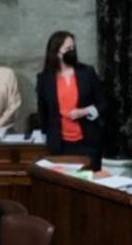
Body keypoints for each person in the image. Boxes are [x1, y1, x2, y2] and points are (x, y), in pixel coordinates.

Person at [35, 30, 107, 170]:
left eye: (73, 48)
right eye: (68, 49)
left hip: (88, 142)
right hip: (60, 145)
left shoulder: (87, 72)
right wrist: (46, 135)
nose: (72, 52)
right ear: (56, 52)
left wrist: (85, 111)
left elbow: (103, 103)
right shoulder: (44, 78)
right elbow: (43, 110)